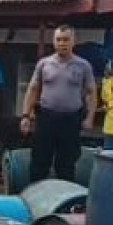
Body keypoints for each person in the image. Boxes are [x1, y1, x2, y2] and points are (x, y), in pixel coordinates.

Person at [21, 25, 97, 183]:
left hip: (71, 120)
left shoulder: (83, 65)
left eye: (66, 40)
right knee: (39, 161)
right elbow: (33, 89)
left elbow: (91, 92)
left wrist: (90, 117)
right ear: (54, 42)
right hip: (46, 118)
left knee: (66, 164)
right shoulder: (44, 64)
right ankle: (34, 196)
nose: (62, 43)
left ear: (73, 41)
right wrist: (26, 116)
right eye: (59, 40)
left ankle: (65, 201)